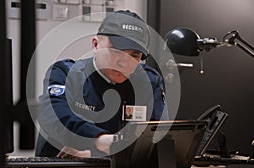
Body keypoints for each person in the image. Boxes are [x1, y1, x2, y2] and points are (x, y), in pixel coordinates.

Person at [35, 10, 168, 158]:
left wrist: (95, 153)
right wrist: (99, 140)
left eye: (134, 55)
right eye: (116, 51)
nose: (123, 63)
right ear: (95, 44)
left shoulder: (149, 82)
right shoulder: (65, 73)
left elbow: (155, 141)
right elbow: (52, 115)